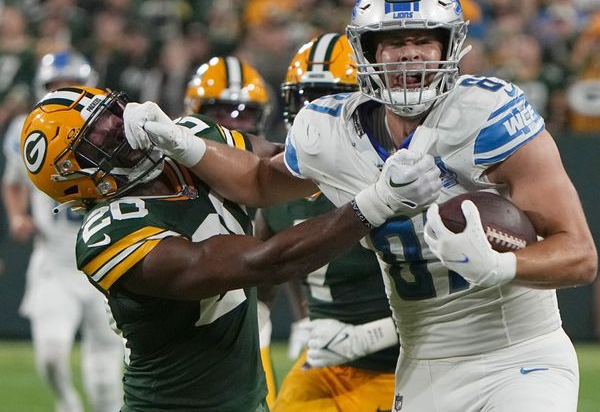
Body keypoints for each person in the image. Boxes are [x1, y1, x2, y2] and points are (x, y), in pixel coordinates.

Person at [124, 0, 598, 412]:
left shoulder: (489, 116)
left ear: (449, 46)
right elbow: (258, 181)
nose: (411, 53)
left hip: (519, 354)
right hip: (423, 366)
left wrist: (499, 266)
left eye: (423, 40)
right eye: (393, 42)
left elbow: (579, 255)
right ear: (367, 53)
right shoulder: (329, 130)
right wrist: (185, 144)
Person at [20, 85, 440, 411]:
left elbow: (287, 165)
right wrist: (377, 202)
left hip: (247, 400)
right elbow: (264, 262)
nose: (120, 127)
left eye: (111, 113)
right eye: (99, 135)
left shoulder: (183, 141)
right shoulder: (108, 233)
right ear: (78, 177)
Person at [257, 32, 398, 411]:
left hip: (407, 363)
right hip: (328, 365)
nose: (312, 112)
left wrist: (371, 336)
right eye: (302, 98)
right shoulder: (278, 186)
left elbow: (460, 295)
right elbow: (262, 280)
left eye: (325, 97)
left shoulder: (395, 176)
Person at [2, 50, 123, 412]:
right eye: (57, 86)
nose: (64, 93)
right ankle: (66, 403)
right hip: (55, 262)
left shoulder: (109, 129)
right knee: (52, 355)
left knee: (105, 378)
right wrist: (17, 216)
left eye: (72, 85)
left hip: (102, 258)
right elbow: (13, 182)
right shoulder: (29, 130)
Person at [184, 55, 279, 407]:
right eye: (219, 113)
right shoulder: (169, 174)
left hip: (245, 322)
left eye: (243, 114)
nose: (230, 125)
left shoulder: (272, 173)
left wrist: (267, 311)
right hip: (178, 324)